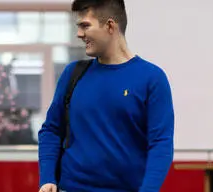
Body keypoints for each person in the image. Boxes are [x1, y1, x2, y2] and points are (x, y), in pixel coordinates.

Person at [38, 0, 174, 192]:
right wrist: (47, 178)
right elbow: (51, 130)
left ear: (110, 26)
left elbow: (161, 144)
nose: (79, 34)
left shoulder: (152, 78)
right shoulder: (73, 74)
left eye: (85, 26)